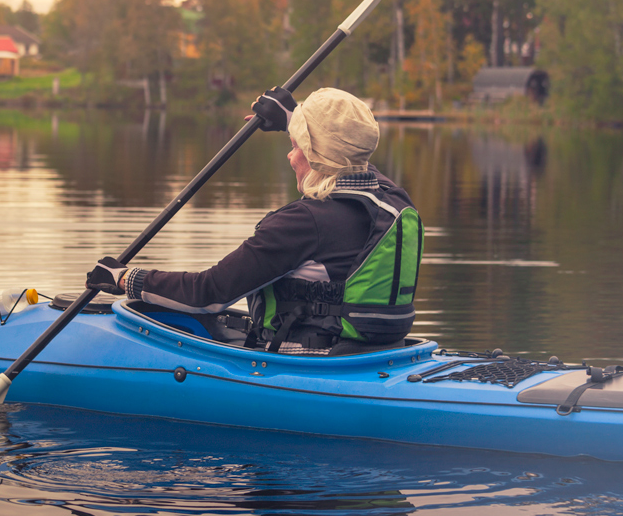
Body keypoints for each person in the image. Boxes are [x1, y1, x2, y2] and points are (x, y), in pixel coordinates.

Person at [86, 87, 423, 355]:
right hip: (380, 354)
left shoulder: (304, 223)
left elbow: (208, 294)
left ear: (317, 154)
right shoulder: (393, 200)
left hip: (308, 364)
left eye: (296, 145)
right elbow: (351, 156)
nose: (290, 156)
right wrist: (293, 118)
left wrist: (124, 278)